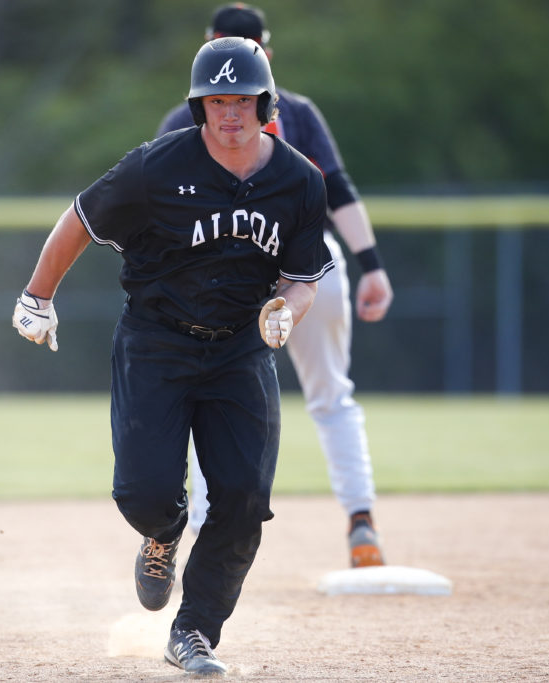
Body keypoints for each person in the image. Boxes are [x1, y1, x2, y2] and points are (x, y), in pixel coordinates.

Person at [13, 37, 332, 675]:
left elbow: (303, 278)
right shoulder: (156, 168)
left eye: (243, 100)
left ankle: (194, 633)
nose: (230, 113)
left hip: (241, 349)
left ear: (264, 104)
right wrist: (37, 295)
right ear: (199, 106)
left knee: (243, 498)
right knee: (146, 493)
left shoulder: (298, 180)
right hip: (155, 342)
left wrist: (286, 312)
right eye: (218, 100)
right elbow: (81, 217)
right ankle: (162, 535)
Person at [158, 3, 394, 568]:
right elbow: (336, 190)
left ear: (208, 45)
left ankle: (197, 543)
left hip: (229, 280)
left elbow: (164, 217)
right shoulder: (300, 112)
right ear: (267, 47)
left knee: (203, 401)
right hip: (316, 267)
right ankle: (361, 523)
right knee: (332, 395)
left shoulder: (187, 116)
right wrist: (374, 264)